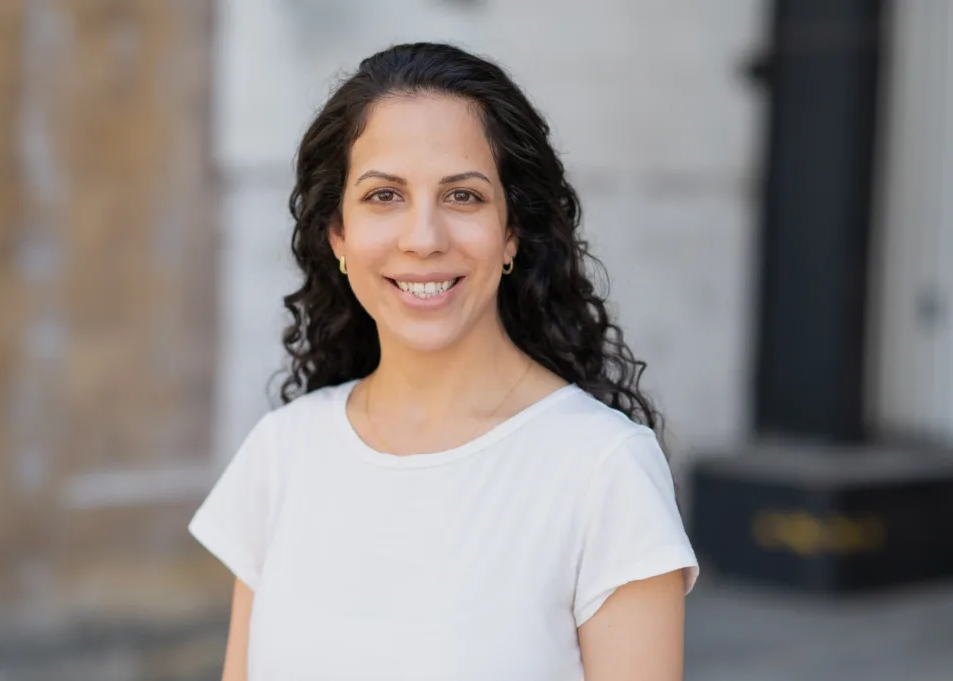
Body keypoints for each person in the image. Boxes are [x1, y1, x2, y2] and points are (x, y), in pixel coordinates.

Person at [189, 42, 699, 681]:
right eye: (383, 196)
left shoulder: (603, 470)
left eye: (462, 196)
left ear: (512, 231)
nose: (424, 239)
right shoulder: (283, 451)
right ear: (337, 235)